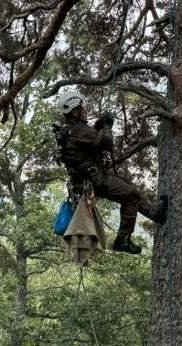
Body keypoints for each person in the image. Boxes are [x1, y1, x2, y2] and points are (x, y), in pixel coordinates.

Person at [54, 90, 167, 255]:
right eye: (82, 109)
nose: (85, 111)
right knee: (130, 194)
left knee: (129, 189)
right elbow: (106, 143)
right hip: (96, 180)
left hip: (90, 180)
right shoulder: (78, 130)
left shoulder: (71, 130)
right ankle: (123, 240)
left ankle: (153, 213)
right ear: (75, 111)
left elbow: (87, 141)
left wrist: (99, 125)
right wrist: (107, 126)